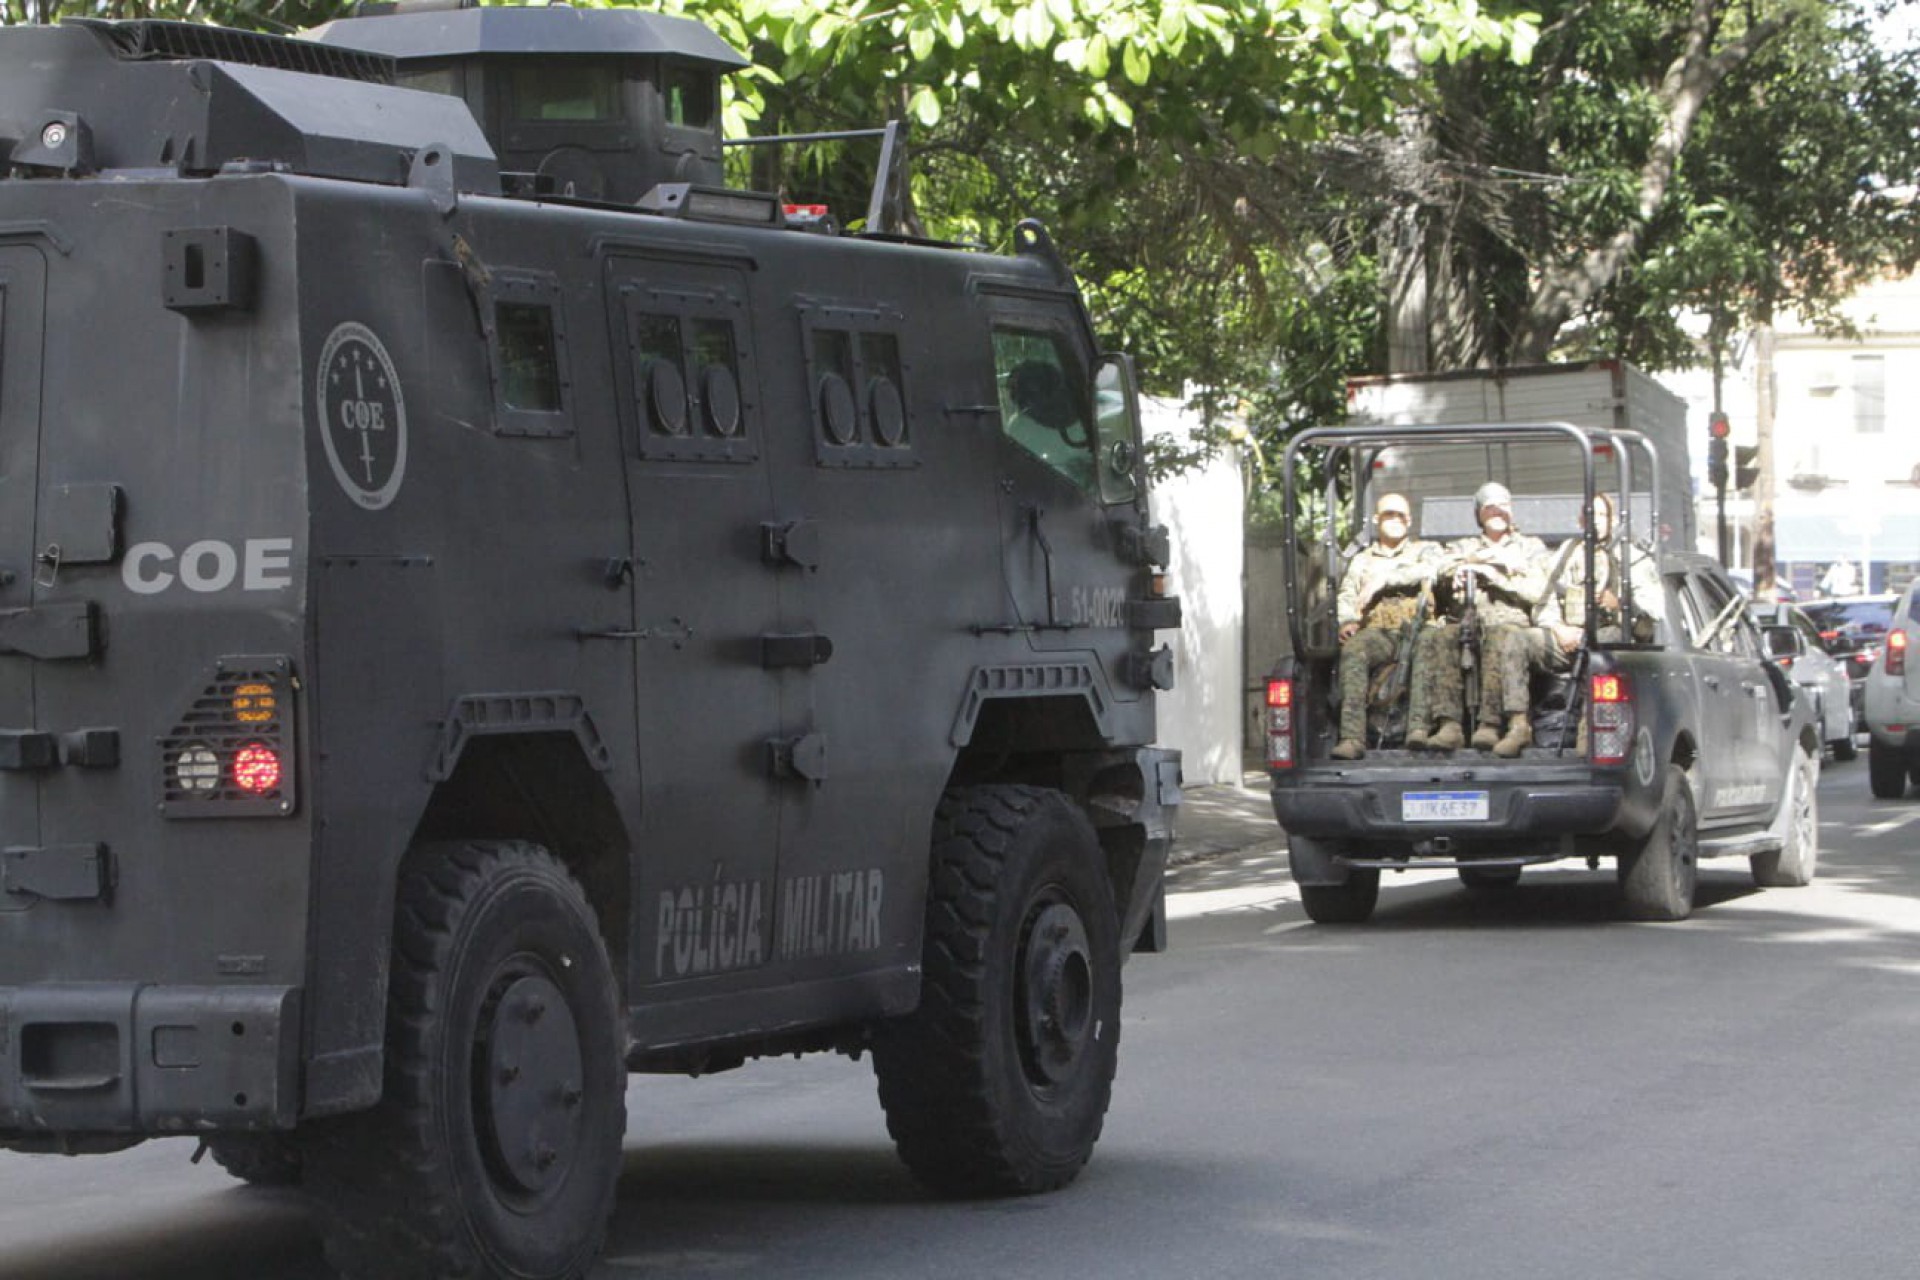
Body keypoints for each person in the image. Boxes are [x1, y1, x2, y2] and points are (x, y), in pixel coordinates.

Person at [1482, 492, 1664, 756]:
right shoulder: (1567, 554)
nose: (1596, 521)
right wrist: (1558, 627)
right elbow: (1544, 598)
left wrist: (1621, 605)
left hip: (1608, 637)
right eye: (1590, 515)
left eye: (1602, 516)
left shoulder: (1631, 558)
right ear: (1580, 520)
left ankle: (1588, 732)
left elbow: (1653, 611)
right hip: (1566, 635)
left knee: (1604, 645)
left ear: (1613, 521)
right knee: (1517, 639)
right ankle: (1518, 725)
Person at [1406, 481, 1549, 752]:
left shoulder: (1531, 548)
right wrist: (1461, 567)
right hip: (1468, 619)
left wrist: (1495, 574)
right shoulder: (1463, 546)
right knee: (1444, 635)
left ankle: (1490, 724)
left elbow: (1538, 591)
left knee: (1501, 637)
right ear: (1479, 515)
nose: (1497, 513)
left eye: (1503, 507)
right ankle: (1449, 725)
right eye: (1489, 508)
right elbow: (1438, 566)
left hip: (1510, 622)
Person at [1328, 493, 1441, 760]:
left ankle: (1418, 730)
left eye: (1400, 515)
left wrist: (1386, 578)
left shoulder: (1425, 550)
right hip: (1378, 631)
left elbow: (1432, 569)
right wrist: (1347, 620)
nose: (1395, 520)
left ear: (1409, 520)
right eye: (1388, 515)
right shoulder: (1362, 559)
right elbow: (1346, 594)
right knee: (1354, 650)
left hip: (1417, 628)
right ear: (1377, 520)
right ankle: (1352, 738)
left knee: (1429, 645)